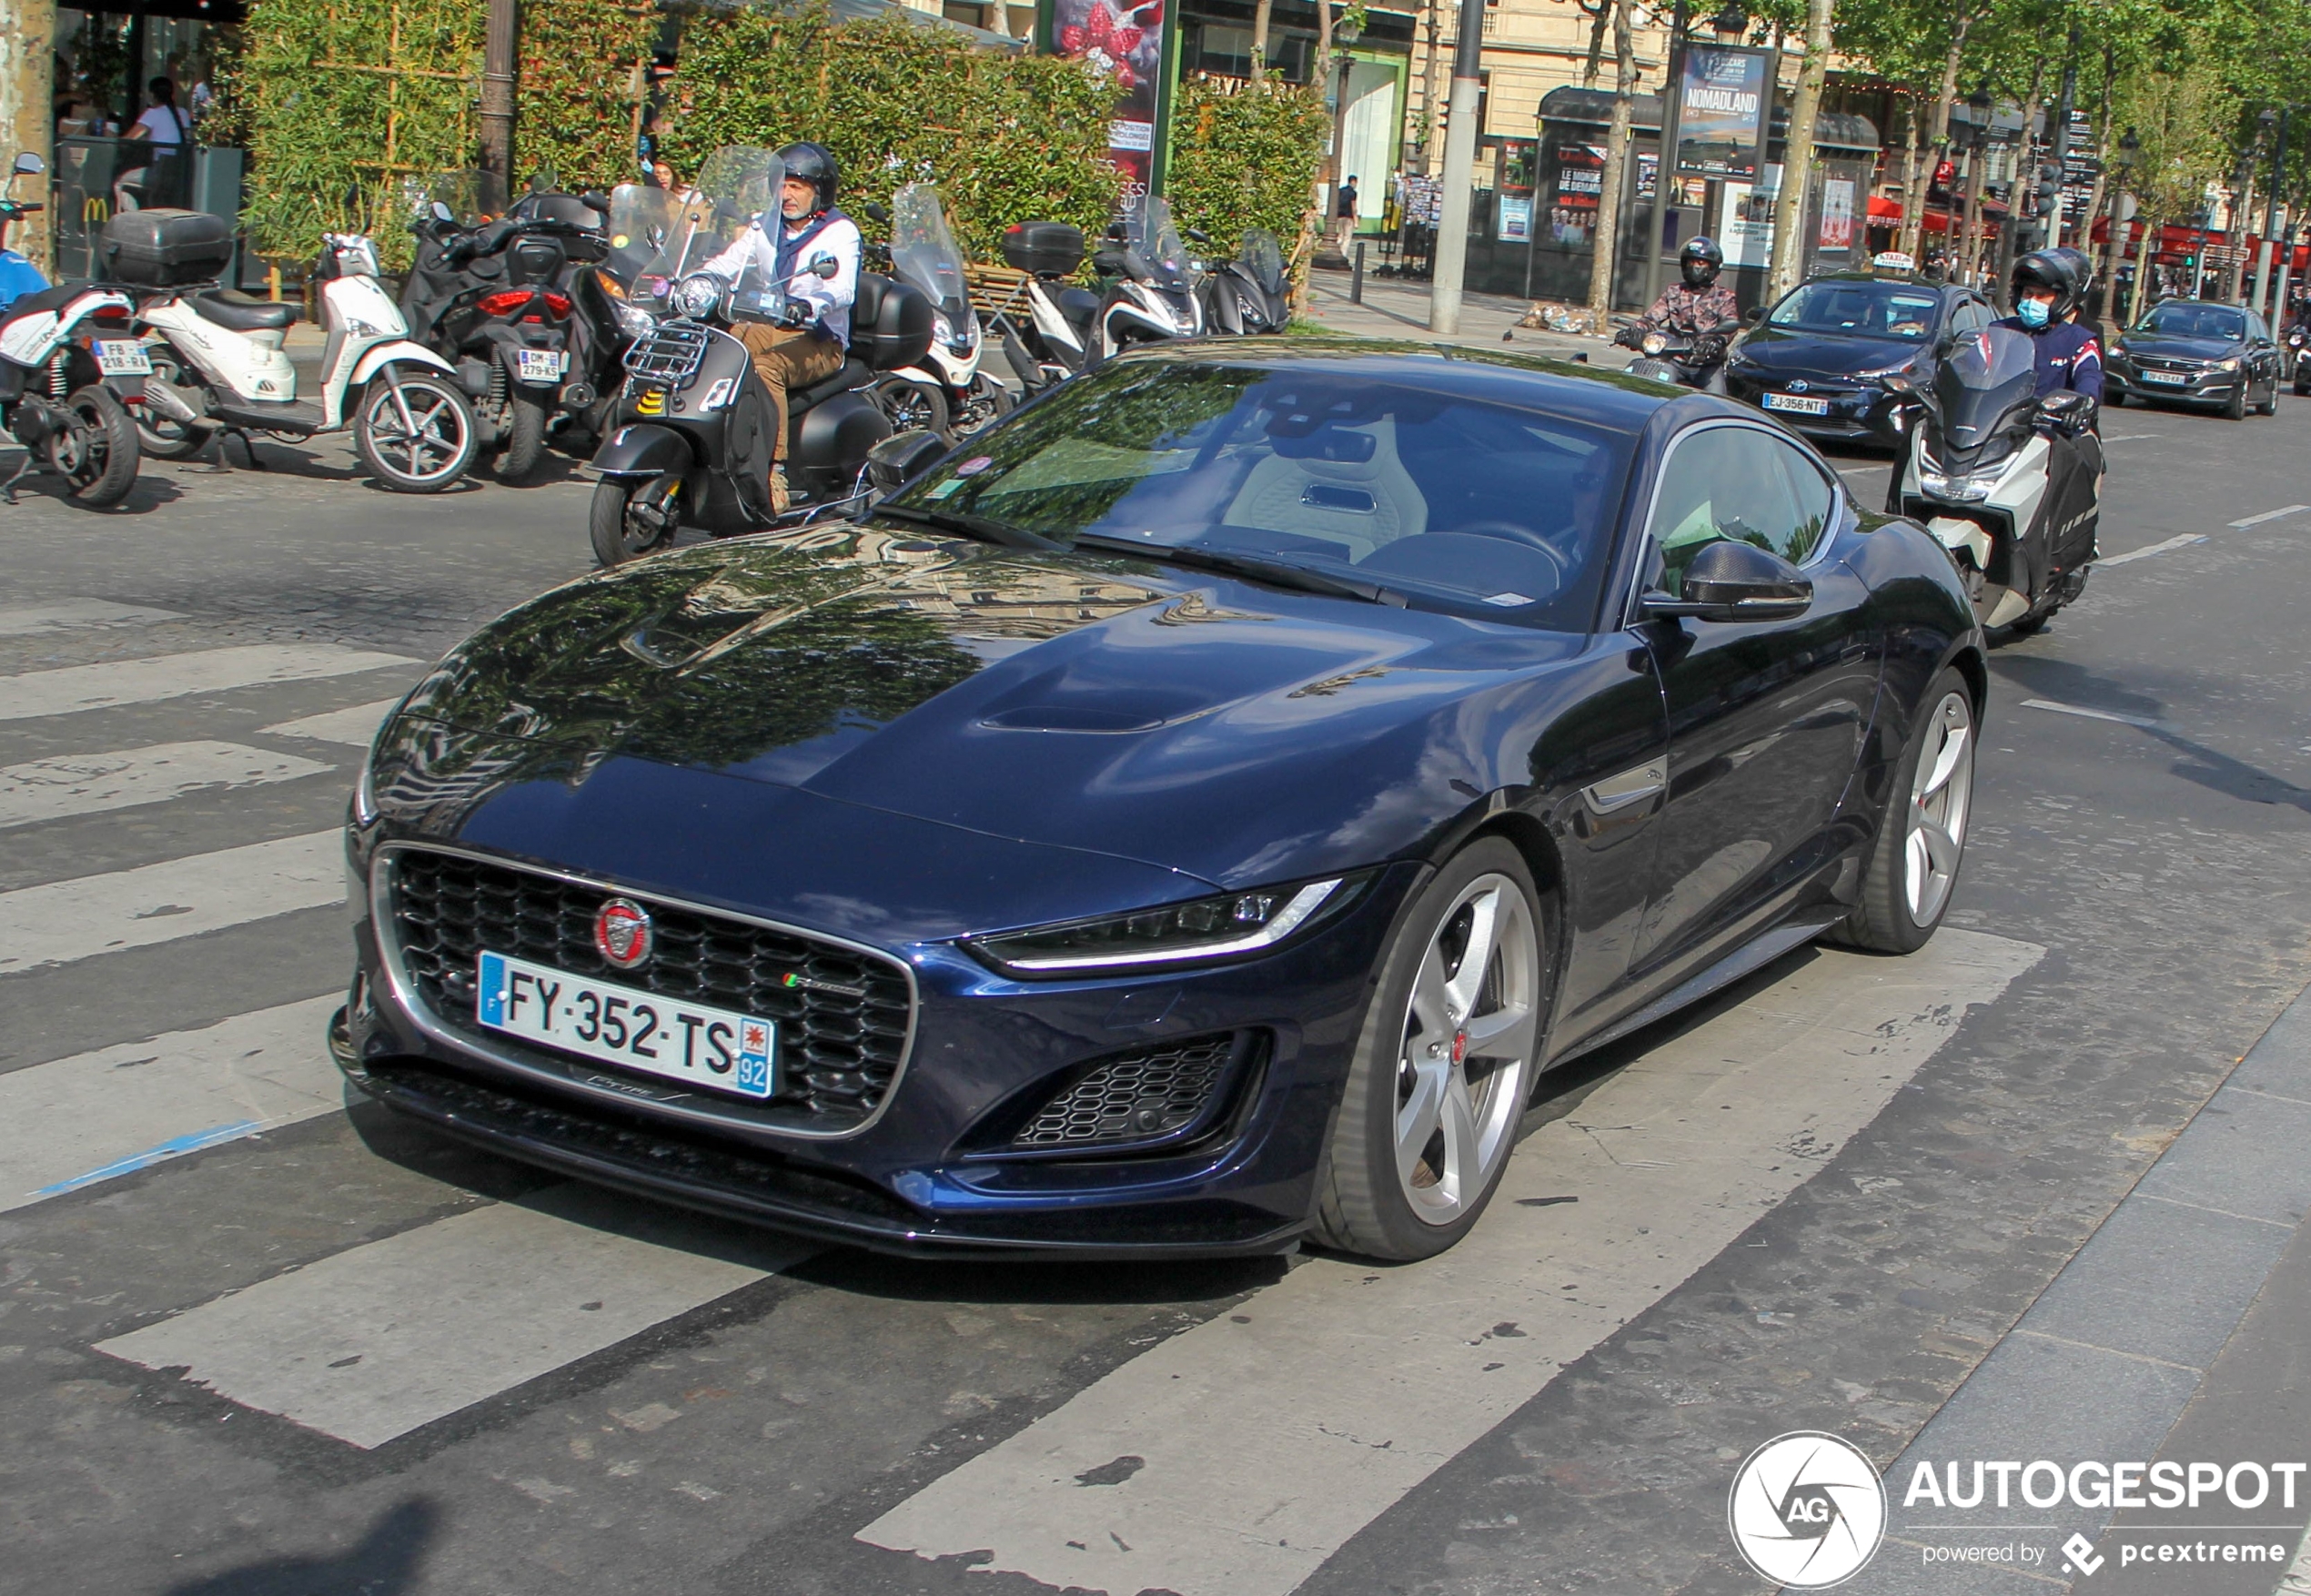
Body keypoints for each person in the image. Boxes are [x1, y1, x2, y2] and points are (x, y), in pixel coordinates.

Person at [698, 142, 860, 513]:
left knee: (765, 368)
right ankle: (716, 450)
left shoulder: (839, 232)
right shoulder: (764, 224)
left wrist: (810, 304)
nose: (786, 195)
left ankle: (773, 470)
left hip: (818, 338)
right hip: (769, 324)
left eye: (796, 187)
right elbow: (728, 263)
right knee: (723, 348)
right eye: (781, 185)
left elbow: (843, 288)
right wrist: (692, 280)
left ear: (819, 191)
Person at [1615, 236, 1740, 388]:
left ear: (1713, 267)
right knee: (1649, 387)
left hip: (1707, 366)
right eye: (1691, 262)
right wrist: (1633, 331)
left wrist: (1717, 340)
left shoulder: (1724, 297)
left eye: (1701, 263)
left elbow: (1730, 323)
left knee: (1718, 404)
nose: (1695, 267)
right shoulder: (1674, 292)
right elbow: (1651, 318)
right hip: (1674, 361)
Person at [1334, 175, 1359, 252]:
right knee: (1347, 237)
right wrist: (1356, 221)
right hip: (1348, 217)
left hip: (1339, 216)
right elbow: (1353, 207)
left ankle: (1337, 246)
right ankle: (1343, 253)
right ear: (1353, 182)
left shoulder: (1341, 190)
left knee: (1340, 234)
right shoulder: (1353, 193)